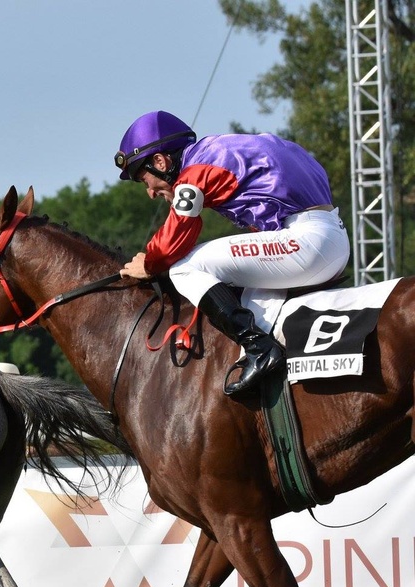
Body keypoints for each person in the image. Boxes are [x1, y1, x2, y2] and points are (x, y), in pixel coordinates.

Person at [114, 111, 350, 395]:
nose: (150, 193)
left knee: (184, 268)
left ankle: (260, 349)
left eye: (145, 181)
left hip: (307, 243)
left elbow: (176, 238)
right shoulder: (228, 149)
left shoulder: (195, 172)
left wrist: (149, 263)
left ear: (160, 162)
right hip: (331, 236)